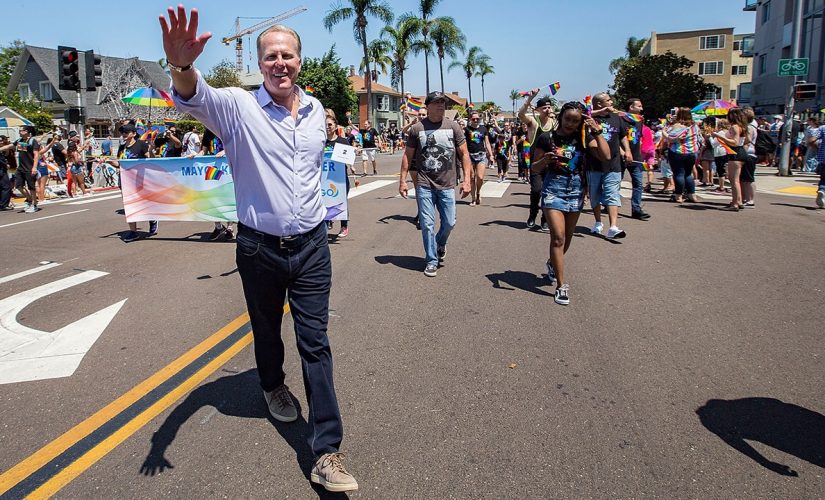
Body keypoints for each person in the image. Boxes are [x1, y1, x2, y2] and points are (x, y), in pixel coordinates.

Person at [160, 7, 357, 492]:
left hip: (312, 245)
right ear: (261, 64)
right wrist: (182, 67)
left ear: (299, 62)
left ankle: (327, 450)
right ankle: (271, 384)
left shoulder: (315, 115)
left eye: (287, 55)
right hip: (258, 248)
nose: (280, 63)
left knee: (316, 343)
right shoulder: (237, 107)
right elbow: (194, 96)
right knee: (267, 330)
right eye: (271, 56)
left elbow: (312, 176)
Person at [532, 101, 610, 305]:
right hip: (553, 189)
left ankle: (552, 263)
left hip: (575, 189)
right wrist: (545, 160)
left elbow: (606, 155)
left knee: (566, 238)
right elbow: (534, 168)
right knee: (557, 237)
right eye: (567, 119)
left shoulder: (583, 139)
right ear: (561, 117)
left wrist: (597, 131)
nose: (570, 124)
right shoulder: (546, 138)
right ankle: (561, 285)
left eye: (576, 121)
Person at [399, 91, 471, 277]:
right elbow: (408, 156)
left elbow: (464, 154)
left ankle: (441, 242)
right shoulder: (417, 129)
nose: (441, 106)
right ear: (428, 106)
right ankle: (431, 260)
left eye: (443, 103)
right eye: (437, 103)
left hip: (447, 184)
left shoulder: (453, 127)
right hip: (424, 184)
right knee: (427, 224)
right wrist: (403, 181)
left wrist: (467, 180)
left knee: (449, 222)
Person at [587, 93, 630, 239]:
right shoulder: (591, 119)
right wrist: (601, 111)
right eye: (608, 100)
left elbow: (623, 136)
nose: (611, 102)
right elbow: (583, 113)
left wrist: (627, 151)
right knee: (595, 196)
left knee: (612, 195)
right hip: (594, 165)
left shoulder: (617, 118)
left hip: (614, 164)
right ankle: (598, 222)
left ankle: (613, 227)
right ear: (599, 104)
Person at [106, 123, 159, 240]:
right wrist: (109, 162)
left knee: (144, 203)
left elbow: (151, 160)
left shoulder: (141, 145)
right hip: (125, 181)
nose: (123, 134)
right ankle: (133, 231)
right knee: (129, 205)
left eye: (126, 132)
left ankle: (152, 218)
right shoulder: (121, 147)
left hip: (141, 180)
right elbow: (119, 164)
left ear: (134, 134)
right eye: (122, 132)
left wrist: (150, 149)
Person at [519, 92, 557, 231]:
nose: (547, 110)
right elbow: (521, 115)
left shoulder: (556, 123)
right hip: (536, 164)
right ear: (538, 110)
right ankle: (532, 214)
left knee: (549, 192)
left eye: (549, 107)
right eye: (544, 108)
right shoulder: (534, 122)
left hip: (552, 163)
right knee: (537, 190)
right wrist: (530, 98)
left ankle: (545, 219)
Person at [663, 108, 702, 205]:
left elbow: (670, 138)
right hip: (692, 152)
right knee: (688, 174)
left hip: (678, 151)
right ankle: (692, 194)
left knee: (679, 174)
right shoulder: (694, 126)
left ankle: (678, 195)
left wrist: (664, 131)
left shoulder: (676, 126)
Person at [714, 108, 749, 211]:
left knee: (734, 180)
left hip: (735, 153)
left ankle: (735, 203)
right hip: (740, 152)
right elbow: (746, 140)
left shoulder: (734, 127)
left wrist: (720, 137)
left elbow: (735, 142)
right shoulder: (743, 127)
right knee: (736, 179)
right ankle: (739, 201)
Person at [0, 125, 40, 213]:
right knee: (18, 186)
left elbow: (36, 155)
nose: (19, 132)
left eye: (21, 130)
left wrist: (34, 167)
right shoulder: (19, 140)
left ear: (27, 131)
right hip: (20, 168)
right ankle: (29, 200)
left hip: (29, 167)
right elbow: (9, 146)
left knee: (31, 187)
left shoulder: (33, 141)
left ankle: (34, 204)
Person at [622, 98, 650, 220]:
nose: (641, 109)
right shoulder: (620, 119)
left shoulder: (640, 121)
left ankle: (636, 209)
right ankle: (609, 204)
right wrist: (624, 152)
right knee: (615, 182)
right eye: (639, 106)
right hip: (622, 156)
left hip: (636, 157)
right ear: (630, 107)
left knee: (638, 183)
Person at [324, 111, 351, 237]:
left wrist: (352, 165)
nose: (328, 127)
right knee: (324, 200)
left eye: (330, 124)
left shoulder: (343, 141)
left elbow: (348, 159)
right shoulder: (321, 142)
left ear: (335, 126)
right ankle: (326, 223)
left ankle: (344, 226)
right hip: (325, 178)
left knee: (341, 201)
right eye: (325, 125)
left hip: (340, 179)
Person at [464, 110, 493, 206]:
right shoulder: (466, 129)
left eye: (477, 118)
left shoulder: (483, 128)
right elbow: (462, 143)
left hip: (481, 155)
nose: (476, 120)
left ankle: (478, 193)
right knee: (472, 177)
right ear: (470, 119)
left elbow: (487, 142)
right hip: (470, 156)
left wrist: (491, 155)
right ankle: (473, 198)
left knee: (480, 177)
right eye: (473, 119)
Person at [0, 135, 13, 210]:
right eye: (0, 141)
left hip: (3, 170)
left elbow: (6, 155)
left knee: (3, 187)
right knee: (6, 187)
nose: (1, 142)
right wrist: (5, 164)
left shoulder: (2, 149)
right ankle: (3, 205)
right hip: (1, 171)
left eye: (2, 141)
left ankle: (2, 204)